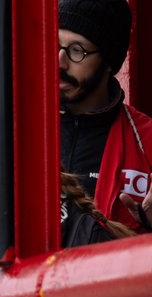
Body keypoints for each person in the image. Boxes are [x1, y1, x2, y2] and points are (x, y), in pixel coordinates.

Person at [59, 0, 152, 233]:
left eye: (76, 50)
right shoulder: (18, 133)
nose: (59, 62)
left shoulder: (146, 140)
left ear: (109, 62)